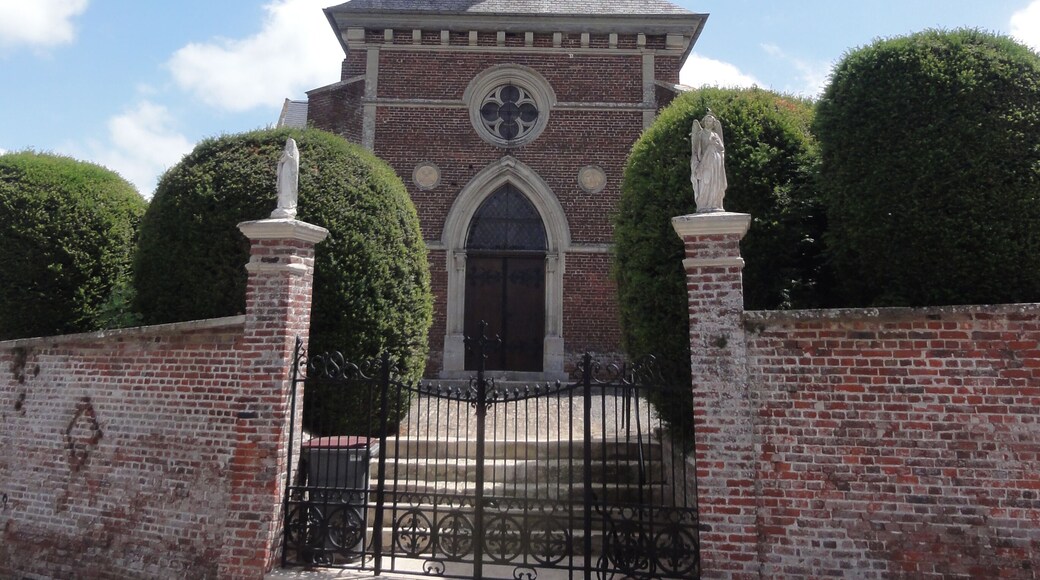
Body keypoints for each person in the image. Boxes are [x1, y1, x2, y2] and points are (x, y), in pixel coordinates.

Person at [690, 111, 727, 212]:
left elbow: (721, 148)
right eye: (706, 120)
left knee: (715, 183)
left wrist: (715, 144)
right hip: (704, 164)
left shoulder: (715, 135)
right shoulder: (700, 134)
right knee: (705, 183)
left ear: (713, 123)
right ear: (703, 122)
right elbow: (696, 150)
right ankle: (704, 204)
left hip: (715, 162)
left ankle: (715, 203)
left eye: (710, 121)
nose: (708, 122)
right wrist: (696, 163)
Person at [274, 138, 299, 218]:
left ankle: (288, 205)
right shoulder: (285, 152)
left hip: (290, 173)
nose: (288, 146)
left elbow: (294, 162)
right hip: (284, 171)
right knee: (283, 187)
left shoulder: (295, 153)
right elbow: (281, 161)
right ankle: (282, 205)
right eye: (287, 144)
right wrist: (283, 159)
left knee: (288, 188)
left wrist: (288, 156)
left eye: (290, 144)